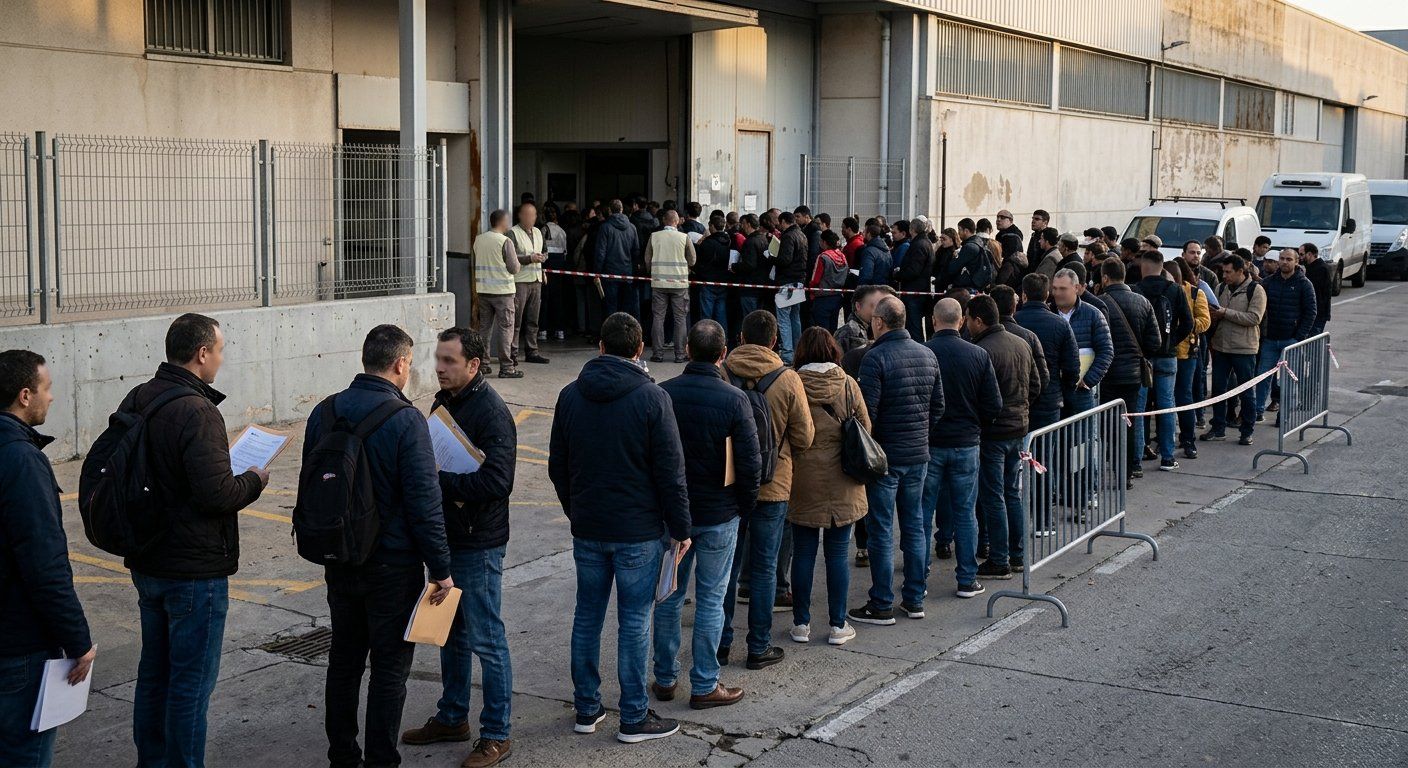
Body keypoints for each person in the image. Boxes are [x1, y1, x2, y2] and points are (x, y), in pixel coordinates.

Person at [118, 314, 268, 768]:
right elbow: (216, 494)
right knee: (190, 685)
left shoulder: (140, 395)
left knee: (155, 677)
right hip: (193, 574)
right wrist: (255, 479)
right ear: (202, 353)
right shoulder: (198, 411)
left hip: (149, 561)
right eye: (219, 351)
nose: (221, 359)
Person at [305, 325, 453, 768]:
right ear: (401, 364)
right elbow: (425, 503)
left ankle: (342, 755)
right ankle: (382, 759)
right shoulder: (406, 420)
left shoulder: (323, 412)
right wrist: (440, 569)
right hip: (392, 565)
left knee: (344, 661)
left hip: (340, 557)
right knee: (389, 669)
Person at [549, 313, 691, 743]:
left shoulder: (570, 396)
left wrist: (578, 512)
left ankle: (587, 709)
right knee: (634, 621)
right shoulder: (652, 398)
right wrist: (682, 527)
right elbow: (671, 472)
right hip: (638, 533)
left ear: (600, 347)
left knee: (587, 616)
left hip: (589, 528)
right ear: (639, 349)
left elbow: (558, 468)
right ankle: (633, 715)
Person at [399, 329, 515, 768]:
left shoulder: (491, 412)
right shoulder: (444, 403)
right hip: (447, 539)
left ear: (474, 365)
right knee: (451, 634)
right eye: (438, 359)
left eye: (449, 361)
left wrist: (437, 482)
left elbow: (498, 482)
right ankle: (452, 717)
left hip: (479, 542)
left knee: (487, 639)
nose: (439, 368)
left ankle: (497, 734)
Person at [653, 321, 760, 710]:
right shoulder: (734, 400)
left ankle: (664, 677)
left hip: (673, 517)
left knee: (669, 596)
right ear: (723, 353)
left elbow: (654, 460)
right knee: (712, 599)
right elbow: (750, 463)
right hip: (719, 514)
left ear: (685, 349)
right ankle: (704, 683)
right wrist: (743, 507)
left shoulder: (662, 394)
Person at [0, 350, 94, 768]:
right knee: (26, 754)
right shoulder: (22, 460)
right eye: (47, 388)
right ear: (24, 396)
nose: (52, 398)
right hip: (19, 644)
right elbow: (44, 564)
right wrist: (78, 641)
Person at [720, 311, 814, 668]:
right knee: (764, 568)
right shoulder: (788, 379)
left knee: (726, 568)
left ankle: (721, 642)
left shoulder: (724, 372)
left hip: (729, 483)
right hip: (774, 485)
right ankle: (758, 646)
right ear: (775, 340)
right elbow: (804, 437)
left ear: (741, 337)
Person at [849, 296, 944, 624]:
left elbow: (867, 413)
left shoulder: (875, 359)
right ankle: (915, 598)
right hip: (918, 454)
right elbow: (938, 406)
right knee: (915, 526)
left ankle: (882, 602)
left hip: (886, 458)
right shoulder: (927, 354)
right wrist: (920, 431)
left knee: (882, 530)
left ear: (879, 322)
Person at [785, 327, 867, 647]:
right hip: (843, 481)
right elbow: (865, 427)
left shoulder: (793, 385)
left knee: (803, 552)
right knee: (836, 554)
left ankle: (801, 623)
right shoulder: (848, 384)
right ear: (834, 351)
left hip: (803, 481)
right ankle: (837, 624)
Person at [921, 300, 1001, 596]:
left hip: (932, 443)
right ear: (962, 320)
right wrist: (975, 424)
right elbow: (994, 404)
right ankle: (966, 578)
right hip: (967, 443)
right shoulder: (978, 355)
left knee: (922, 513)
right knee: (966, 512)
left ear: (933, 320)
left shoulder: (925, 352)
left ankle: (919, 578)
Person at [968, 296, 1041, 580]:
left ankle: (1000, 558)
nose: (966, 323)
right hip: (1018, 429)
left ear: (979, 320)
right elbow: (1036, 385)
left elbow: (979, 396)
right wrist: (1020, 409)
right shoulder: (1021, 343)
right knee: (1011, 492)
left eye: (969, 318)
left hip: (994, 433)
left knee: (994, 495)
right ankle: (1018, 554)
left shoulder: (982, 350)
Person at [1095, 260, 1161, 479]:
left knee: (1106, 424)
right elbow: (1155, 342)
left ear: (1105, 278)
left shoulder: (1100, 303)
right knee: (1129, 422)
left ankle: (1114, 464)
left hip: (1107, 375)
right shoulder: (1142, 302)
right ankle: (1128, 470)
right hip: (1133, 375)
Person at [1133, 249, 1194, 471]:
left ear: (1143, 267)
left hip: (1143, 357)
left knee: (1139, 409)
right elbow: (1188, 323)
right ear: (1162, 268)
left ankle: (1136, 460)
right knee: (1167, 405)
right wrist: (1171, 343)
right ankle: (1168, 457)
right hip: (1168, 356)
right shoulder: (1175, 290)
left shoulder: (1136, 290)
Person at [1203, 255, 1266, 445]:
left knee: (1246, 391)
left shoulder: (1256, 290)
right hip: (1221, 346)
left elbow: (1254, 318)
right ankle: (1218, 427)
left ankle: (1247, 431)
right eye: (1223, 271)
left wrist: (1225, 313)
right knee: (1219, 390)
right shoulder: (1220, 288)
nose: (1225, 275)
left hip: (1244, 348)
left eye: (1229, 272)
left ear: (1241, 271)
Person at [1254, 249, 1317, 421]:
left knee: (1289, 380)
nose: (1284, 262)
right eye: (1281, 259)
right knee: (1263, 377)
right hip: (1270, 339)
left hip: (1291, 340)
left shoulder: (1304, 284)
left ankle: (1285, 415)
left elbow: (1311, 312)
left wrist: (1299, 336)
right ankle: (1257, 411)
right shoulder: (1268, 282)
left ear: (1296, 262)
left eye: (1289, 259)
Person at [1011, 275, 1077, 430]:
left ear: (1024, 295)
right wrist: (1063, 391)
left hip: (1017, 399)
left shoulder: (1013, 322)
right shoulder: (1061, 325)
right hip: (1049, 399)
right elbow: (1072, 367)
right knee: (1046, 451)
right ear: (1047, 295)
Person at [1051, 269, 1113, 416]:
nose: (1057, 293)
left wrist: (1088, 380)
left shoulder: (1093, 314)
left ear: (1077, 288)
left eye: (1062, 289)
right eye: (1054, 288)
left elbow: (1106, 350)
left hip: (1081, 392)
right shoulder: (1047, 313)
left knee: (1082, 437)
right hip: (1053, 391)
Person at [1169, 260, 1211, 460]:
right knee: (1164, 399)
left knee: (1184, 395)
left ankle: (1188, 439)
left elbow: (1205, 321)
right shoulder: (1163, 292)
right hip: (1165, 353)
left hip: (1187, 354)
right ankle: (1165, 439)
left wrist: (1186, 322)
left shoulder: (1195, 293)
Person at [474, 209, 524, 378]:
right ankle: (507, 367)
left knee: (484, 329)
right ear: (502, 222)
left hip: (483, 291)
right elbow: (514, 268)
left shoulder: (479, 240)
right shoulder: (505, 241)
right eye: (507, 220)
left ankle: (483, 364)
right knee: (506, 329)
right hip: (503, 293)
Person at [645, 210, 697, 363]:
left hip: (658, 282)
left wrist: (652, 272)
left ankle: (657, 354)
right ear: (677, 221)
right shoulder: (684, 237)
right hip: (679, 283)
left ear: (663, 220)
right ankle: (680, 354)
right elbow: (693, 260)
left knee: (658, 317)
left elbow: (647, 259)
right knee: (680, 319)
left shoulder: (654, 237)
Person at [510, 202, 551, 366]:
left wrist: (543, 258)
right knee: (516, 320)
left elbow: (545, 250)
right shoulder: (513, 233)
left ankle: (532, 351)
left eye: (534, 214)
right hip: (520, 281)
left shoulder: (539, 232)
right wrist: (529, 259)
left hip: (536, 280)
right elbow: (511, 257)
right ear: (520, 215)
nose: (532, 218)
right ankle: (512, 353)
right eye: (528, 214)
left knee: (533, 319)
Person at [593, 200, 641, 321]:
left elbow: (600, 252)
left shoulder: (605, 227)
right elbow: (636, 251)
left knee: (610, 307)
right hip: (627, 273)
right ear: (622, 210)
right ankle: (624, 336)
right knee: (626, 308)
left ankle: (611, 336)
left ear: (610, 210)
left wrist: (597, 271)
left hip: (610, 273)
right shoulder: (632, 228)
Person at [774, 211, 810, 364]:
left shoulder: (788, 236)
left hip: (787, 282)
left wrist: (772, 258)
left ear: (783, 222)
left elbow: (785, 259)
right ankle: (798, 351)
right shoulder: (802, 235)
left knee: (783, 318)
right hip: (799, 282)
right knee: (795, 317)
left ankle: (788, 354)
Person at [896, 218, 935, 339]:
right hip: (919, 291)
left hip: (914, 293)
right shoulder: (925, 242)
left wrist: (897, 274)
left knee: (914, 327)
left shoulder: (919, 245)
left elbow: (913, 270)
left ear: (912, 229)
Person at [695, 213, 734, 332]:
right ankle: (723, 338)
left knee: (706, 314)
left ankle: (705, 337)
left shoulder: (707, 243)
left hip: (708, 281)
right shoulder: (729, 241)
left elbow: (699, 261)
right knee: (721, 313)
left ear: (712, 226)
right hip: (723, 281)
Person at [809, 230, 850, 334]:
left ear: (824, 242)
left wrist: (811, 291)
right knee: (833, 329)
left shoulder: (823, 257)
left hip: (822, 298)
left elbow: (815, 279)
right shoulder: (842, 256)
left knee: (822, 332)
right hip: (837, 296)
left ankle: (823, 350)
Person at [542, 205, 571, 341]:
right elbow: (565, 251)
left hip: (547, 265)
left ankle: (543, 330)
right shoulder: (562, 231)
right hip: (559, 266)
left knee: (545, 298)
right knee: (558, 299)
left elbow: (541, 248)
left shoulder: (544, 230)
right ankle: (560, 330)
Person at [734, 214, 769, 320]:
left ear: (748, 224)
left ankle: (751, 337)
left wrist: (735, 266)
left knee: (750, 318)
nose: (742, 227)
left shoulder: (750, 242)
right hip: (762, 284)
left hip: (750, 285)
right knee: (759, 318)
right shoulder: (763, 239)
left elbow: (749, 264)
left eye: (743, 224)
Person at [1300, 242, 1332, 337]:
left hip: (1318, 315)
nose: (1300, 257)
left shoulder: (1320, 269)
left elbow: (1319, 294)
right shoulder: (1311, 268)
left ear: (1310, 254)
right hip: (1313, 313)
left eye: (1302, 254)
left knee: (1312, 344)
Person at [947, 218, 988, 291]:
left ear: (966, 231)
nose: (958, 233)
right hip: (975, 285)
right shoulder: (980, 243)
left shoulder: (969, 247)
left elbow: (953, 268)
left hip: (967, 286)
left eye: (959, 229)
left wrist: (954, 257)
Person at [855, 223, 893, 287]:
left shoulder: (869, 251)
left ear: (869, 234)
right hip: (885, 288)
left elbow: (866, 274)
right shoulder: (887, 251)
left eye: (864, 232)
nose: (862, 234)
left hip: (872, 290)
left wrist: (861, 289)